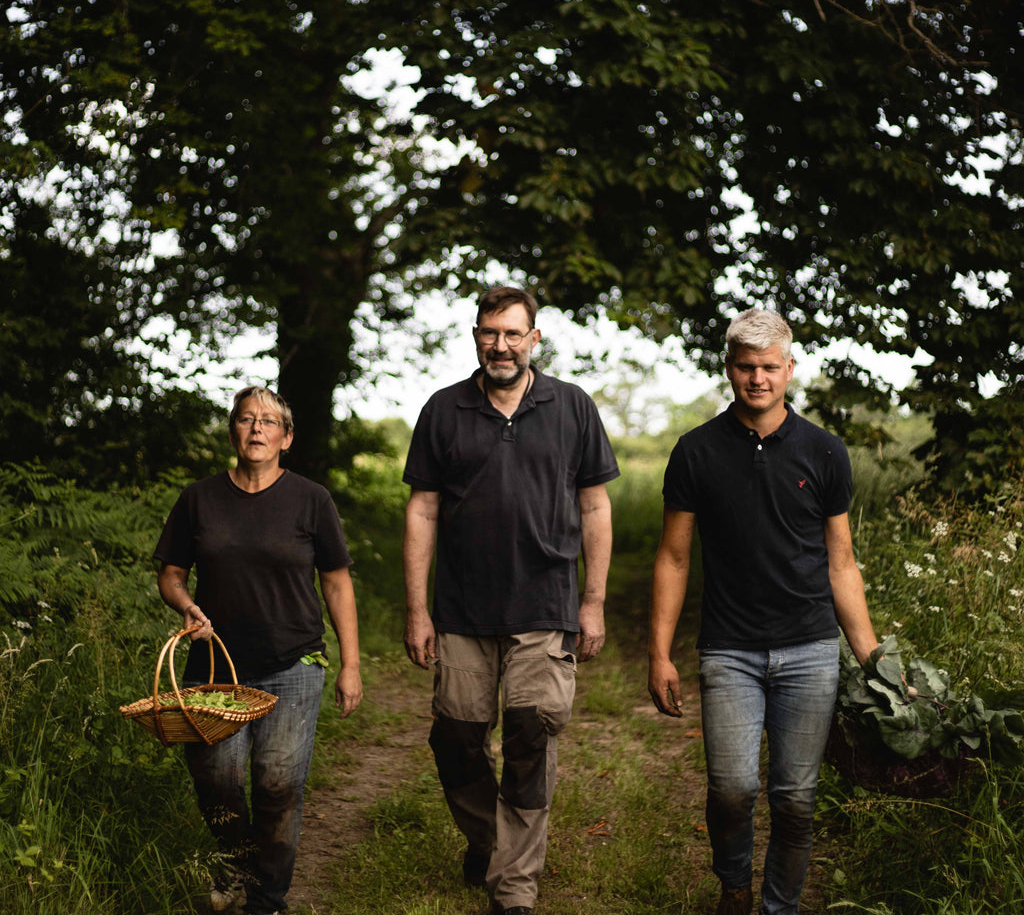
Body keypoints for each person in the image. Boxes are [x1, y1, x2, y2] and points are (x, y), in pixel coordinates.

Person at [647, 309, 879, 915]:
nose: (758, 379)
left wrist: (872, 660)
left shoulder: (824, 452)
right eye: (746, 367)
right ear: (729, 369)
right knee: (732, 787)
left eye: (770, 368)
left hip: (809, 647)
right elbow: (673, 558)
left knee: (796, 797)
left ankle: (779, 905)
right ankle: (734, 884)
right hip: (729, 648)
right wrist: (659, 653)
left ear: (790, 369)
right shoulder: (695, 452)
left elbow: (842, 564)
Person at [402, 285, 619, 915]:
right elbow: (422, 509)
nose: (500, 345)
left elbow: (595, 505)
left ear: (534, 339)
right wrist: (418, 610)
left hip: (545, 605)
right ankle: (491, 839)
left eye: (512, 333)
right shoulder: (443, 410)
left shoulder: (571, 406)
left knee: (531, 735)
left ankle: (514, 887)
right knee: (456, 740)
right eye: (489, 332)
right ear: (476, 336)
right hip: (463, 608)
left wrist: (594, 602)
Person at [155, 386, 362, 915]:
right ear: (233, 432)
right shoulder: (198, 499)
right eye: (246, 419)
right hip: (214, 670)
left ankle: (267, 898)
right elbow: (171, 575)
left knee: (277, 784)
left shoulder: (311, 499)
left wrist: (351, 665)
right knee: (216, 780)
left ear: (286, 438)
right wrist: (185, 606)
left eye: (269, 422)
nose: (256, 429)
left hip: (294, 663)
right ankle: (234, 861)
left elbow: (337, 584)